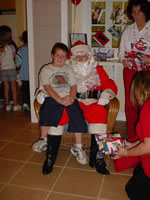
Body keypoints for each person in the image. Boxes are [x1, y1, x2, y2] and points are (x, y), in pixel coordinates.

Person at [33, 41, 118, 175]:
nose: (80, 59)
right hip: (72, 100)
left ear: (89, 56)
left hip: (91, 101)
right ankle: (50, 158)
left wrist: (106, 94)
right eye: (77, 56)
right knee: (59, 113)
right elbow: (50, 84)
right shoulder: (66, 69)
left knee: (100, 112)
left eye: (83, 56)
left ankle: (97, 159)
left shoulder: (98, 69)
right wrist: (40, 93)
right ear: (72, 58)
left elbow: (110, 84)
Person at [37, 42, 88, 174]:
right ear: (52, 55)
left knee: (77, 114)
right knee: (47, 110)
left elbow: (73, 86)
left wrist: (71, 99)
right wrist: (59, 100)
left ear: (67, 58)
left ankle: (78, 147)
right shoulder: (46, 70)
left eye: (64, 56)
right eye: (58, 55)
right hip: (52, 97)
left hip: (68, 97)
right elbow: (47, 87)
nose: (60, 58)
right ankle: (44, 142)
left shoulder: (69, 69)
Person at [112, 71, 150, 200]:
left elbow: (148, 147)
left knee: (132, 190)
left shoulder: (147, 109)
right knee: (137, 171)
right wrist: (132, 145)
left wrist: (125, 153)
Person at [118, 0, 150, 138]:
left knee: (147, 103)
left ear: (146, 12)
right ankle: (132, 136)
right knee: (131, 104)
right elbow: (121, 52)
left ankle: (146, 136)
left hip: (147, 72)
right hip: (130, 71)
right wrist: (123, 60)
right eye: (134, 12)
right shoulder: (128, 30)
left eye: (140, 12)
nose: (137, 15)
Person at [0, 27, 21, 111]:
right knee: (13, 87)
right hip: (11, 69)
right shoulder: (11, 47)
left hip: (3, 70)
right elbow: (15, 56)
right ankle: (15, 105)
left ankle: (7, 105)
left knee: (6, 88)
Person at [15, 31, 30, 111]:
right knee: (30, 89)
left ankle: (25, 103)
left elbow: (17, 63)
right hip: (31, 74)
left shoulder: (20, 50)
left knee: (24, 88)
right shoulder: (33, 48)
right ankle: (30, 103)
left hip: (24, 74)